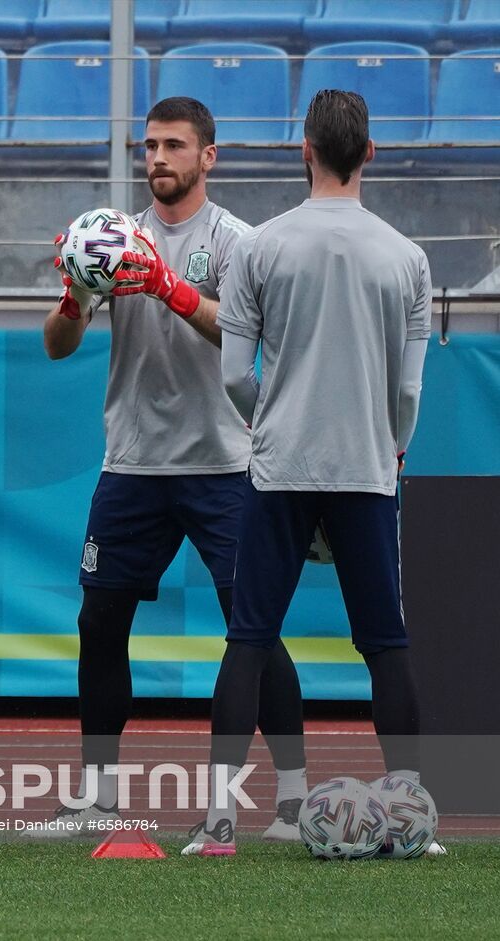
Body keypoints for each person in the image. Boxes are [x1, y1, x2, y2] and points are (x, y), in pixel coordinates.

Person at [42, 97, 305, 840]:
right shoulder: (109, 238)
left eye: (174, 146)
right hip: (131, 462)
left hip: (224, 463)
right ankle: (99, 792)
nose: (157, 158)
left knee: (253, 626)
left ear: (208, 157)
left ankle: (291, 797)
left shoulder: (238, 241)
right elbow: (57, 346)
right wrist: (75, 293)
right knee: (100, 621)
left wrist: (166, 286)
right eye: (150, 146)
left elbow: (244, 332)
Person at [189, 89, 433, 856]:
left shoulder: (260, 247)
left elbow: (234, 376)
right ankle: (414, 825)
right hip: (365, 468)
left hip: (279, 465)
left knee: (249, 639)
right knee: (385, 645)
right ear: (369, 153)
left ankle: (220, 825)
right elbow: (407, 391)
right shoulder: (407, 256)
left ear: (305, 149)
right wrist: (389, 447)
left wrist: (270, 420)